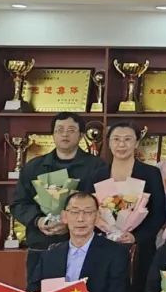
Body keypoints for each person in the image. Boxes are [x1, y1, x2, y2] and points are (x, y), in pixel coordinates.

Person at [12, 111, 107, 280]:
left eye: (71, 130)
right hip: (42, 245)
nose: (65, 134)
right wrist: (39, 221)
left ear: (81, 135)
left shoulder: (97, 167)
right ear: (53, 135)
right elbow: (18, 203)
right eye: (60, 130)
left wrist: (70, 222)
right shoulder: (34, 167)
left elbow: (103, 205)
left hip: (83, 247)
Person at [90, 121, 166, 292]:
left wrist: (136, 237)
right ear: (109, 143)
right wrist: (106, 232)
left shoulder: (150, 173)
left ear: (136, 143)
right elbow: (89, 209)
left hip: (141, 248)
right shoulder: (97, 174)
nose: (121, 144)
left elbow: (159, 212)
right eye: (116, 139)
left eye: (127, 139)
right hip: (105, 246)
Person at [27, 191, 129, 292]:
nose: (81, 219)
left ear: (97, 217)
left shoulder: (115, 253)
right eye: (74, 212)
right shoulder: (50, 255)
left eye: (88, 212)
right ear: (64, 216)